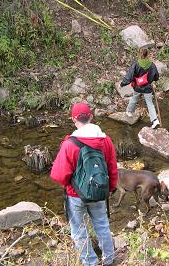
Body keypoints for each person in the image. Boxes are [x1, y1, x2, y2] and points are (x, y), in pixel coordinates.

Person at [50, 103, 117, 265]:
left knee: (79, 231)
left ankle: (90, 262)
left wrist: (69, 185)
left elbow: (58, 175)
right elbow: (112, 167)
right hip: (100, 192)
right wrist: (111, 188)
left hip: (75, 195)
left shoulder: (69, 144)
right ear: (91, 117)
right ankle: (109, 259)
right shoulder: (105, 140)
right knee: (102, 225)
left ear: (74, 119)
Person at [120, 47, 160, 129]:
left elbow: (129, 76)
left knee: (134, 98)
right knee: (150, 103)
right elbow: (156, 77)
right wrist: (153, 80)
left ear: (139, 54)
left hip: (137, 87)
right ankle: (155, 120)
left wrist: (122, 84)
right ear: (147, 54)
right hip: (148, 87)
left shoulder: (136, 64)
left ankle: (129, 112)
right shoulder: (152, 65)